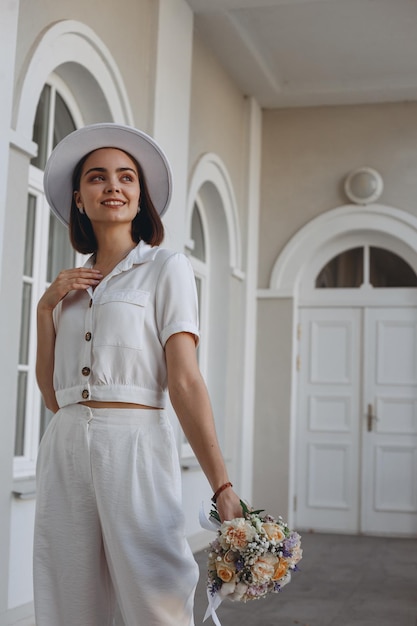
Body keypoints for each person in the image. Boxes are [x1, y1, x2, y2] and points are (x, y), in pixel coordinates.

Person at [34, 123, 242, 626]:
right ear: (79, 198)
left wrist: (222, 485)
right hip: (65, 449)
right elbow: (53, 396)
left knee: (157, 591)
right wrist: (45, 309)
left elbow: (186, 382)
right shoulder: (67, 287)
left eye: (126, 178)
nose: (113, 186)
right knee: (68, 594)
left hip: (135, 445)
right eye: (97, 178)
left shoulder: (166, 268)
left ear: (140, 196)